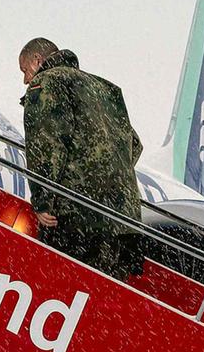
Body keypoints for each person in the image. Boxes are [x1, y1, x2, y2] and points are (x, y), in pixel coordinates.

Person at [19, 37, 144, 279]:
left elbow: (47, 144)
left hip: (78, 217)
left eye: (25, 70)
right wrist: (106, 178)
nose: (25, 79)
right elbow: (134, 144)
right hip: (122, 222)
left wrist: (42, 200)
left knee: (58, 285)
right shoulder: (105, 89)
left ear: (37, 59)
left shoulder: (49, 81)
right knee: (98, 294)